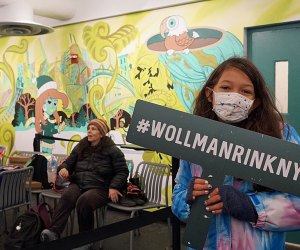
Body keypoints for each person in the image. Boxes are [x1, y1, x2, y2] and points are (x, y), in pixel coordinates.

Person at [171, 57, 300, 249]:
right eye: (225, 88)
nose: (234, 96)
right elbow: (178, 198)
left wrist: (251, 207)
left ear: (255, 103)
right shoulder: (195, 137)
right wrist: (188, 200)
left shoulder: (281, 136)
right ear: (210, 94)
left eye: (245, 91)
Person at [40, 118, 129, 249]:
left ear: (101, 133)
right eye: (88, 128)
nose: (89, 131)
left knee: (84, 201)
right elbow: (68, 162)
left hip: (100, 187)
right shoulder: (81, 146)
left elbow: (122, 171)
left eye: (94, 129)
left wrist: (114, 187)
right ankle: (54, 232)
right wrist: (64, 168)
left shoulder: (112, 150)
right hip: (79, 183)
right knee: (67, 196)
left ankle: (85, 240)